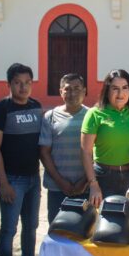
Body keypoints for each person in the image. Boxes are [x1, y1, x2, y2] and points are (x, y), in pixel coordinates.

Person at [0, 63, 42, 256]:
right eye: (18, 82)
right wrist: (3, 183)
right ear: (9, 84)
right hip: (12, 180)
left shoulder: (36, 106)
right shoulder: (0, 110)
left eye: (27, 82)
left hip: (33, 178)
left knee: (31, 227)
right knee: (9, 229)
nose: (23, 87)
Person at [81, 69, 129, 208]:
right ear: (107, 90)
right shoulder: (95, 113)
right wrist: (93, 184)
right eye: (115, 88)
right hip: (104, 178)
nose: (120, 94)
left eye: (125, 88)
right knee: (105, 224)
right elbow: (86, 152)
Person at [40, 73, 89, 224]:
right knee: (57, 230)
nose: (72, 93)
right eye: (67, 89)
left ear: (84, 91)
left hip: (85, 188)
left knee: (84, 232)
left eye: (77, 88)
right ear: (61, 92)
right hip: (57, 188)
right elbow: (44, 152)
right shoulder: (50, 116)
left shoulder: (92, 116)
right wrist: (61, 182)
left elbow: (97, 153)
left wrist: (85, 181)